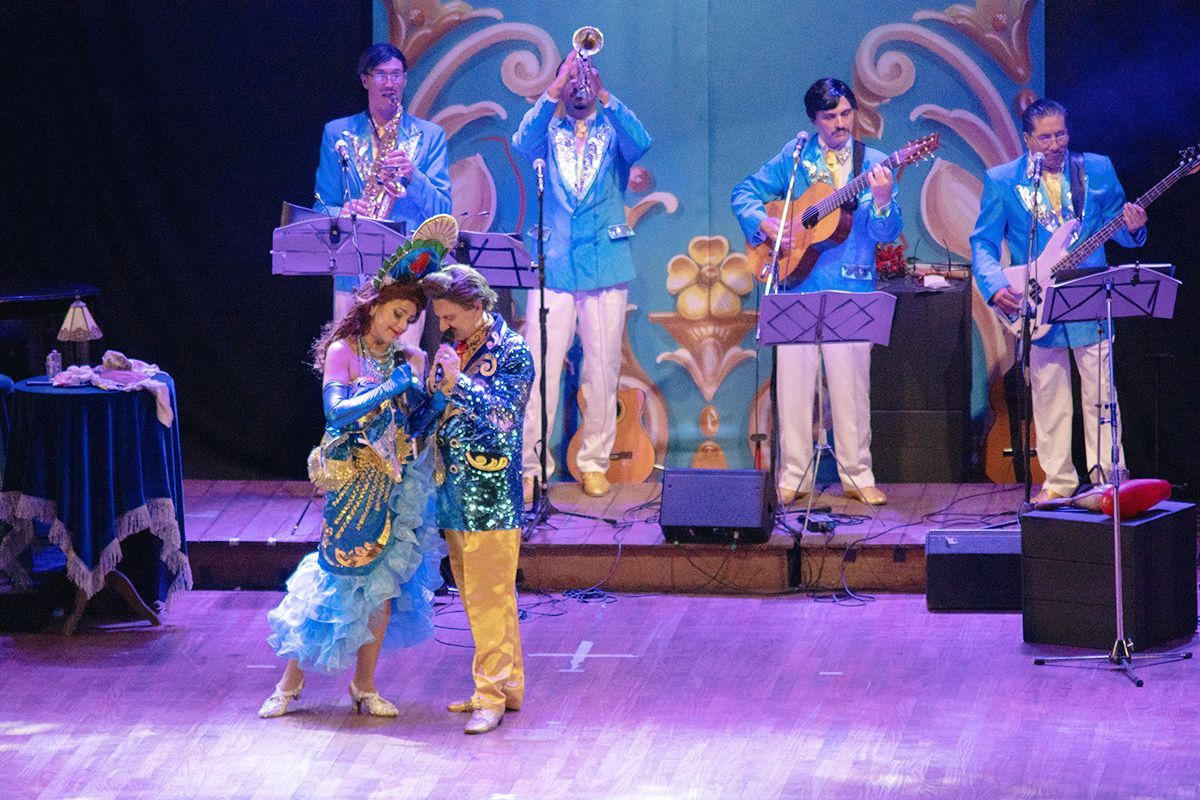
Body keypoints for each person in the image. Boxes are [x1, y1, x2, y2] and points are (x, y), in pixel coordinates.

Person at [258, 245, 450, 720]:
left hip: (393, 485)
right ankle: (290, 684)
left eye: (408, 318)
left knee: (381, 588)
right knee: (336, 576)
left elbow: (415, 427)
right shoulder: (345, 352)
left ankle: (364, 685)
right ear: (374, 304)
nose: (402, 326)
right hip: (351, 483)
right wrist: (392, 385)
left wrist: (439, 395)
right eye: (397, 313)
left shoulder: (408, 358)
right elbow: (336, 412)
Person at [731, 78, 902, 506]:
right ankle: (793, 477)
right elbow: (744, 192)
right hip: (795, 287)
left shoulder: (877, 162)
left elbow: (887, 231)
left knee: (851, 390)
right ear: (814, 119)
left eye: (846, 113)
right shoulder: (795, 159)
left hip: (851, 287)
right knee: (793, 390)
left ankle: (858, 475)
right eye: (830, 116)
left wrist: (882, 199)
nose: (840, 123)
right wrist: (765, 223)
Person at [970, 98, 1147, 503]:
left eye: (1061, 134)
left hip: (1090, 293)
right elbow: (982, 242)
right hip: (1036, 301)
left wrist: (1133, 229)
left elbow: (1118, 226)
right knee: (1049, 395)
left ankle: (1108, 479)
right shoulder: (1001, 180)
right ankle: (1058, 481)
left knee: (1101, 392)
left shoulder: (1097, 168)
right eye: (1045, 137)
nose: (1055, 144)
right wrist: (996, 285)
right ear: (1027, 138)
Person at [510, 45, 651, 501]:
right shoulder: (545, 129)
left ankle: (594, 462)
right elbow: (519, 142)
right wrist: (554, 86)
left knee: (603, 370)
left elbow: (642, 141)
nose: (580, 85)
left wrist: (606, 93)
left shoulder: (614, 127)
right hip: (554, 265)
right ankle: (533, 467)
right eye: (573, 77)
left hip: (606, 264)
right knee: (540, 370)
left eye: (587, 77)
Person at [421, 264, 534, 735]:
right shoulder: (455, 347)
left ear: (477, 306)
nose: (442, 326)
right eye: (440, 317)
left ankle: (489, 694)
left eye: (449, 316)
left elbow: (504, 418)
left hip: (491, 493)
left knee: (489, 598)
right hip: (453, 489)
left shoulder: (513, 352)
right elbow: (439, 408)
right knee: (480, 597)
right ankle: (508, 686)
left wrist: (456, 384)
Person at [314, 43, 453, 323]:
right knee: (351, 358)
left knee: (403, 360)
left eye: (397, 75)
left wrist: (414, 176)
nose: (390, 83)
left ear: (405, 80)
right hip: (353, 266)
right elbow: (320, 208)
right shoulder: (336, 132)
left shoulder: (431, 136)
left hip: (408, 269)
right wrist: (341, 213)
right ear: (365, 80)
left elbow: (443, 209)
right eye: (381, 75)